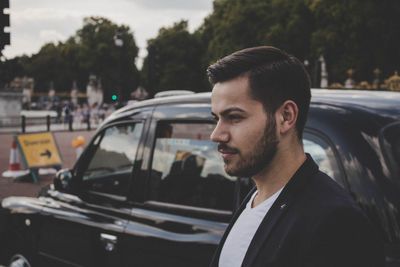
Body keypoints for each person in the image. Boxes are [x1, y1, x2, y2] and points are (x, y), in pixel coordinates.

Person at [207, 46, 384, 267]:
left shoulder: (334, 222)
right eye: (216, 119)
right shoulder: (254, 198)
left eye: (234, 117)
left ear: (286, 116)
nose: (216, 135)